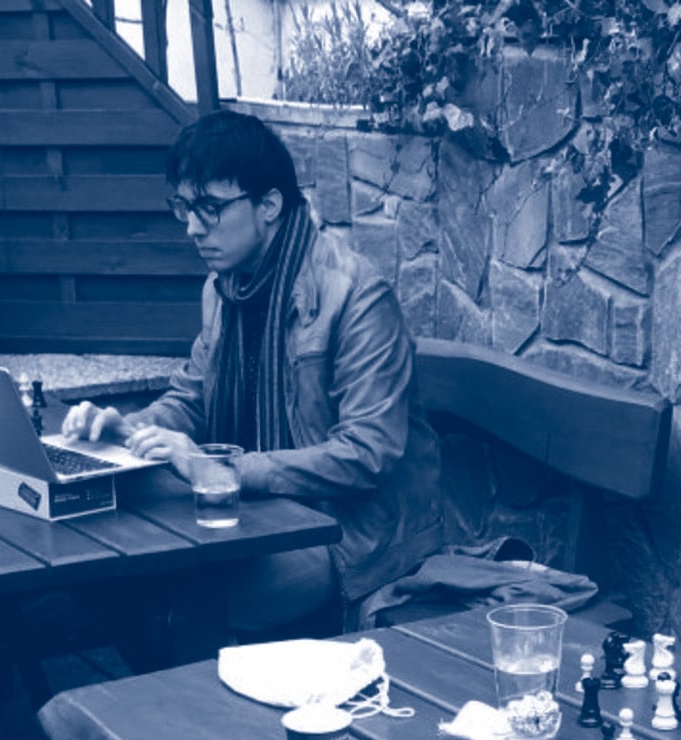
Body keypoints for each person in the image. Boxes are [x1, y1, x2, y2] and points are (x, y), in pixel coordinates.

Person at [63, 109, 441, 632]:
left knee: (190, 602)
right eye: (184, 207)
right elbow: (191, 399)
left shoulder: (354, 294)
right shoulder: (224, 290)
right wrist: (129, 429)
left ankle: (180, 708)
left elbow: (366, 454)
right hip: (255, 512)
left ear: (269, 205)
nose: (194, 228)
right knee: (104, 571)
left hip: (345, 532)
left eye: (211, 208)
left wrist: (220, 469)